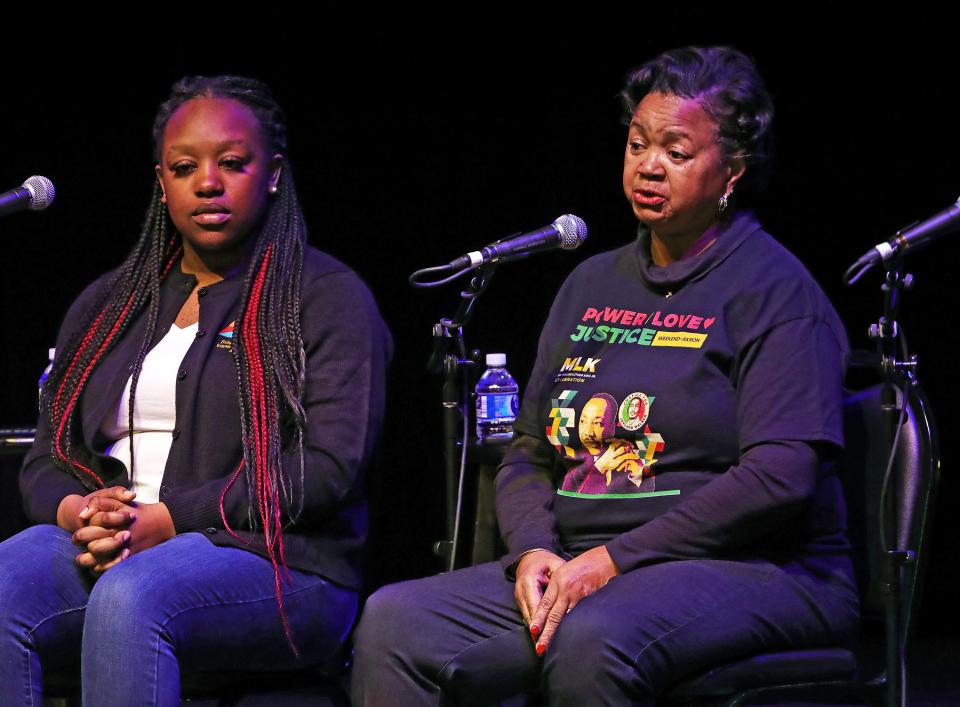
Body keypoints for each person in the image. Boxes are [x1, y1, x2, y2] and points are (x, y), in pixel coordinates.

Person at [351, 46, 858, 706]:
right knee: (395, 621)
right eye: (639, 143)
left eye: (677, 152)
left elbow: (779, 476)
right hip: (580, 559)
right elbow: (529, 450)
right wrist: (532, 550)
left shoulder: (776, 292)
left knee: (593, 637)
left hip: (756, 567)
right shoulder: (590, 283)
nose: (649, 165)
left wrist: (617, 559)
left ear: (731, 171)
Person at [0, 75, 391, 706]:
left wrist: (173, 520)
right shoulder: (108, 304)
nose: (208, 182)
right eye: (185, 167)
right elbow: (46, 457)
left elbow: (325, 470)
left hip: (280, 560)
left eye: (232, 163)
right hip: (118, 539)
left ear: (271, 173)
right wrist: (81, 512)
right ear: (162, 181)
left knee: (135, 597)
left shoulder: (324, 298)